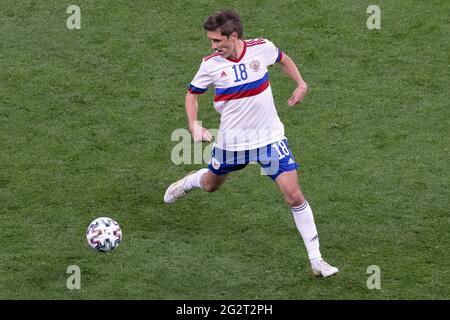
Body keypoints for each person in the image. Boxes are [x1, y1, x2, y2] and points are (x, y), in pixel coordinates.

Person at [164, 9, 338, 277]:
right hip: (232, 142)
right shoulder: (210, 64)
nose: (213, 46)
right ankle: (189, 182)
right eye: (210, 41)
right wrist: (194, 124)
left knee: (293, 195)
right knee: (211, 185)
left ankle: (317, 260)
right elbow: (192, 95)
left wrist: (300, 83)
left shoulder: (261, 48)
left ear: (233, 36)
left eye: (217, 41)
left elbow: (282, 59)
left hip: (269, 138)